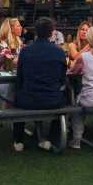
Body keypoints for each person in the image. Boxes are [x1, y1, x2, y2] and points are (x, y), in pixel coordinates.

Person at [13, 17, 68, 152]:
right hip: (52, 100)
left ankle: (18, 140)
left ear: (36, 32)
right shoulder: (59, 52)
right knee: (65, 99)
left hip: (28, 99)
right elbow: (62, 79)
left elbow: (19, 78)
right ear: (51, 33)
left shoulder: (26, 51)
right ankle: (50, 137)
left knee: (17, 96)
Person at [0, 18, 23, 105]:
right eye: (18, 26)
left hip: (14, 79)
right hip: (3, 80)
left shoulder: (19, 43)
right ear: (11, 29)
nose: (21, 27)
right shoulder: (2, 43)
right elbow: (12, 61)